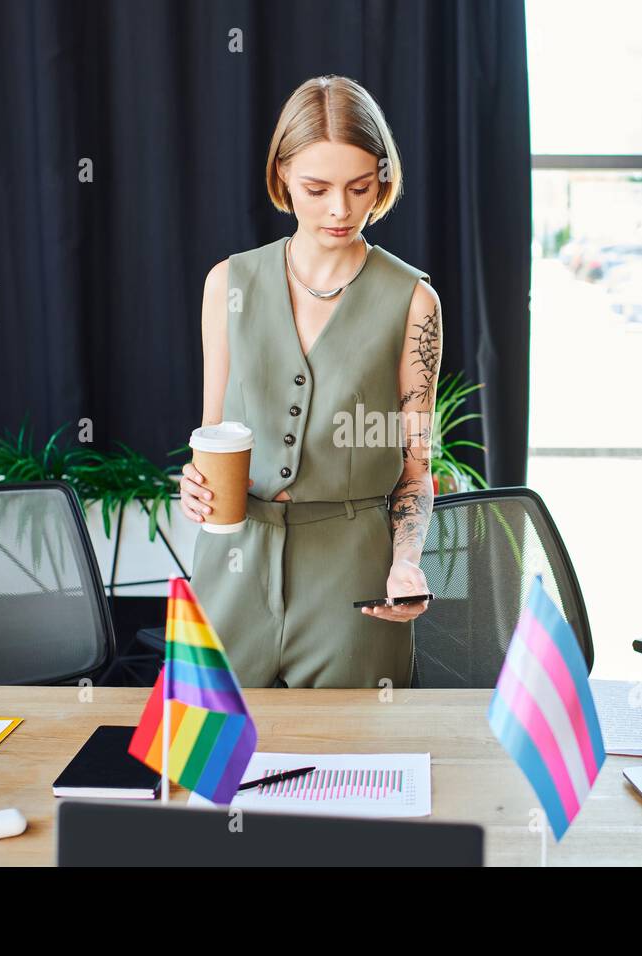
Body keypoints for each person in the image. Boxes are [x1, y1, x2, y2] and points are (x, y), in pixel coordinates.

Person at [179, 75, 442, 689]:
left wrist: (405, 562)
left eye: (359, 187)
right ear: (282, 179)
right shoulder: (229, 284)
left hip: (353, 580)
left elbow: (415, 469)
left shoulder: (413, 302)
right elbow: (213, 439)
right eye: (316, 189)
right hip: (231, 568)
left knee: (352, 773)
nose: (341, 210)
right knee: (206, 772)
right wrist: (191, 484)